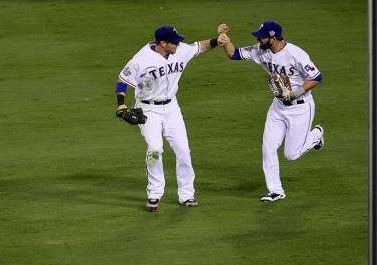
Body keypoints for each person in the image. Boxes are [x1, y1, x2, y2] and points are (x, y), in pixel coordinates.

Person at [116, 25, 221, 211]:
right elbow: (122, 81)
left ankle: (187, 194)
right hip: (148, 109)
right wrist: (121, 104)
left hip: (172, 108)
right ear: (163, 43)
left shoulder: (179, 50)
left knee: (183, 150)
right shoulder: (141, 59)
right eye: (175, 41)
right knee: (155, 149)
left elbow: (200, 46)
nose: (179, 43)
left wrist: (216, 41)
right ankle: (154, 193)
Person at [217, 21, 324, 202]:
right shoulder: (261, 50)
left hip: (300, 107)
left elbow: (316, 77)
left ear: (273, 38)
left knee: (291, 155)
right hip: (278, 107)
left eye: (262, 36)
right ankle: (275, 190)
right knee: (268, 147)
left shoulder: (295, 54)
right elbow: (234, 54)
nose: (258, 39)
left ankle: (316, 135)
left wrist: (294, 93)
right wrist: (224, 39)